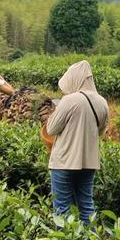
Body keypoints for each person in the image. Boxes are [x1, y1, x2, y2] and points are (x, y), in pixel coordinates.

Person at [47, 61, 109, 224]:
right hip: (89, 163)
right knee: (87, 207)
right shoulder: (102, 102)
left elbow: (51, 129)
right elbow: (100, 132)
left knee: (62, 209)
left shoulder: (69, 100)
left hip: (64, 162)